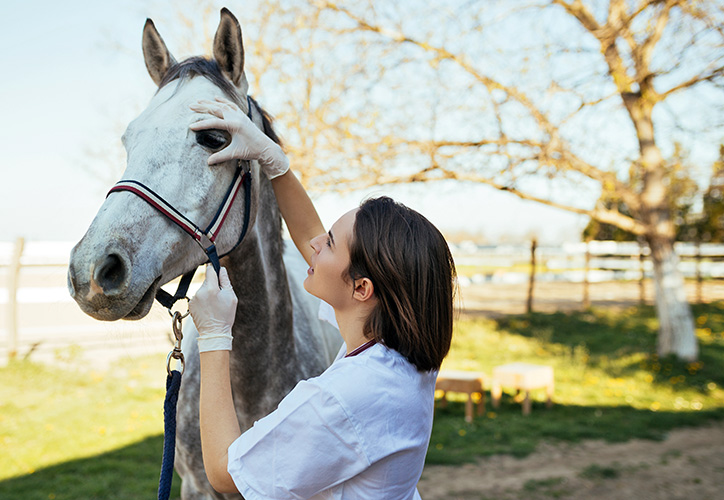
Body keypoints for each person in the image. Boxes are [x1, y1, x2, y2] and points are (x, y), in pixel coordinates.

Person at [187, 96, 457, 500]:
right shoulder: (397, 354)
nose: (314, 243)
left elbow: (226, 473)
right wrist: (273, 161)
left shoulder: (343, 399)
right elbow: (309, 231)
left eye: (329, 244)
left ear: (362, 289)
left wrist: (212, 336)